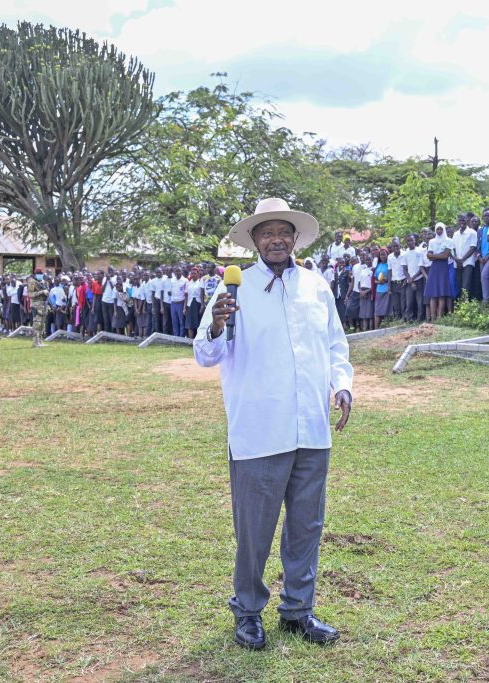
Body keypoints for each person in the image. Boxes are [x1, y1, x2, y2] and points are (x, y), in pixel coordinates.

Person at [193, 197, 353, 651]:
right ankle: (247, 611)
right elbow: (205, 356)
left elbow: (335, 344)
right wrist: (217, 325)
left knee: (307, 525)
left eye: (284, 231)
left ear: (295, 238)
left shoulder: (317, 286)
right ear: (254, 240)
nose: (276, 239)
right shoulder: (233, 289)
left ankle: (299, 610)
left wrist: (342, 385)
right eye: (266, 232)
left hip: (311, 430)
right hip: (259, 429)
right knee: (255, 531)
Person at [424, 223, 454, 321]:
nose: (439, 231)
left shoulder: (449, 241)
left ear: (444, 230)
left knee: (441, 294)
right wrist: (439, 255)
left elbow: (445, 256)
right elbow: (428, 256)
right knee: (433, 294)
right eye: (438, 229)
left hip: (444, 268)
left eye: (441, 229)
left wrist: (434, 256)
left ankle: (440, 318)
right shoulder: (432, 241)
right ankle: (433, 318)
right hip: (434, 268)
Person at [26, 269, 49, 348]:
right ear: (36, 274)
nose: (41, 275)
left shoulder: (44, 281)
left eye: (41, 274)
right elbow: (30, 294)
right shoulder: (32, 282)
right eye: (39, 274)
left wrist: (46, 292)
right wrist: (41, 292)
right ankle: (35, 342)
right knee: (37, 324)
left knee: (42, 325)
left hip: (44, 305)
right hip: (36, 306)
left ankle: (40, 341)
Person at [373, 249, 391, 329]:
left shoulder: (389, 264)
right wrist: (379, 282)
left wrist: (386, 280)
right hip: (379, 290)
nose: (383, 256)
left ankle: (386, 326)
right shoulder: (378, 265)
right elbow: (375, 279)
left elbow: (391, 276)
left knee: (387, 309)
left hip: (387, 289)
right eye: (381, 255)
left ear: (387, 255)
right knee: (377, 310)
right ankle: (376, 328)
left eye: (384, 254)